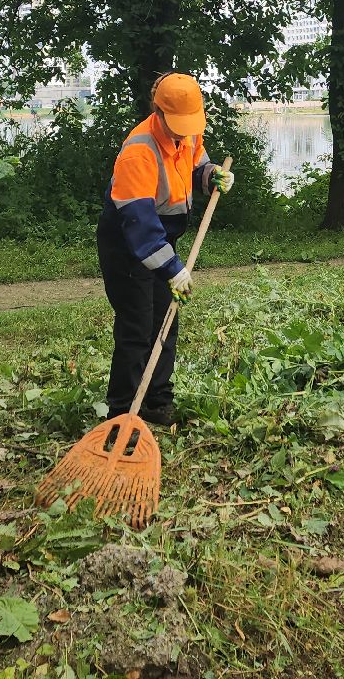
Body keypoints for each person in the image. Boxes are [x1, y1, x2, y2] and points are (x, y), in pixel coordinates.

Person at [97, 72, 233, 425]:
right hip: (129, 246)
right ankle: (123, 414)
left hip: (162, 241)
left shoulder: (187, 132)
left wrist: (211, 174)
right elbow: (139, 225)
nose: (183, 132)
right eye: (176, 124)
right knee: (138, 326)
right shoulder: (138, 152)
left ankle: (157, 402)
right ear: (157, 112)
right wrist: (172, 269)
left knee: (165, 320)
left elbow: (195, 165)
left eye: (188, 125)